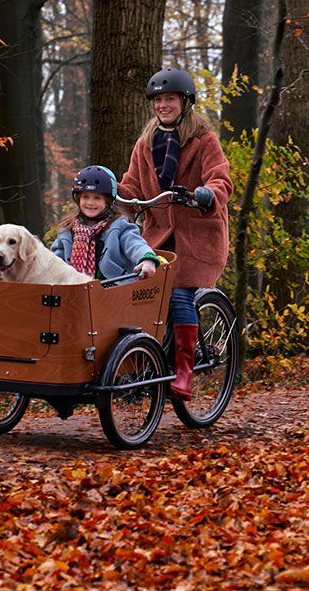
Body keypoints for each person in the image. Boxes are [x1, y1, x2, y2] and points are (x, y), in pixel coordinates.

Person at [119, 68, 232, 400]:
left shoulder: (204, 140)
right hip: (157, 236)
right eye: (157, 100)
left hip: (197, 238)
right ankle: (138, 368)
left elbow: (220, 177)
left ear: (185, 102)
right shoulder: (146, 144)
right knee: (132, 292)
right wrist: (109, 194)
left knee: (180, 293)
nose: (163, 105)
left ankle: (183, 372)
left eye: (169, 99)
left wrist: (209, 193)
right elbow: (132, 184)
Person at [50, 165, 161, 281]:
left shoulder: (120, 225)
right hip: (76, 287)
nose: (90, 202)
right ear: (78, 199)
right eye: (85, 197)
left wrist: (146, 259)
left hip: (112, 286)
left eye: (97, 198)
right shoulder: (67, 229)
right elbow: (55, 259)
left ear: (108, 201)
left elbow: (135, 244)